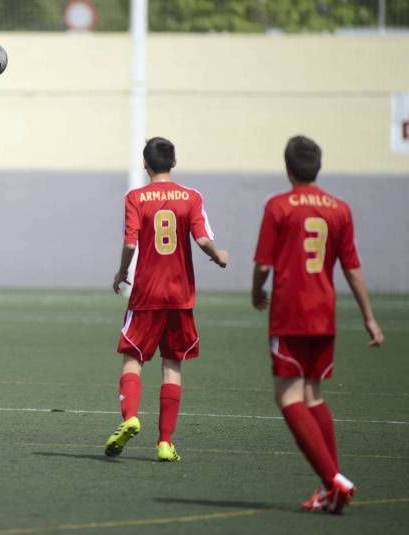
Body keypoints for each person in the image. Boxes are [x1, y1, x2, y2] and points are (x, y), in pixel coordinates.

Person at [251, 135, 384, 514]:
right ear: (318, 166)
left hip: (291, 314)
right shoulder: (339, 209)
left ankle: (334, 479)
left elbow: (263, 265)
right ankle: (331, 489)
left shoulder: (278, 206)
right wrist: (369, 319)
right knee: (313, 396)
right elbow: (352, 269)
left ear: (287, 167)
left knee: (287, 397)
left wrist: (255, 291)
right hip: (324, 315)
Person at [104, 137, 228, 461]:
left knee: (133, 357)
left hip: (146, 293)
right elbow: (201, 238)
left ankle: (130, 416)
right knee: (172, 364)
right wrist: (218, 256)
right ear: (173, 163)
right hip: (180, 295)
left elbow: (131, 244)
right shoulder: (191, 197)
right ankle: (165, 443)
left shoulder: (135, 197)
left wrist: (120, 273)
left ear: (145, 164)